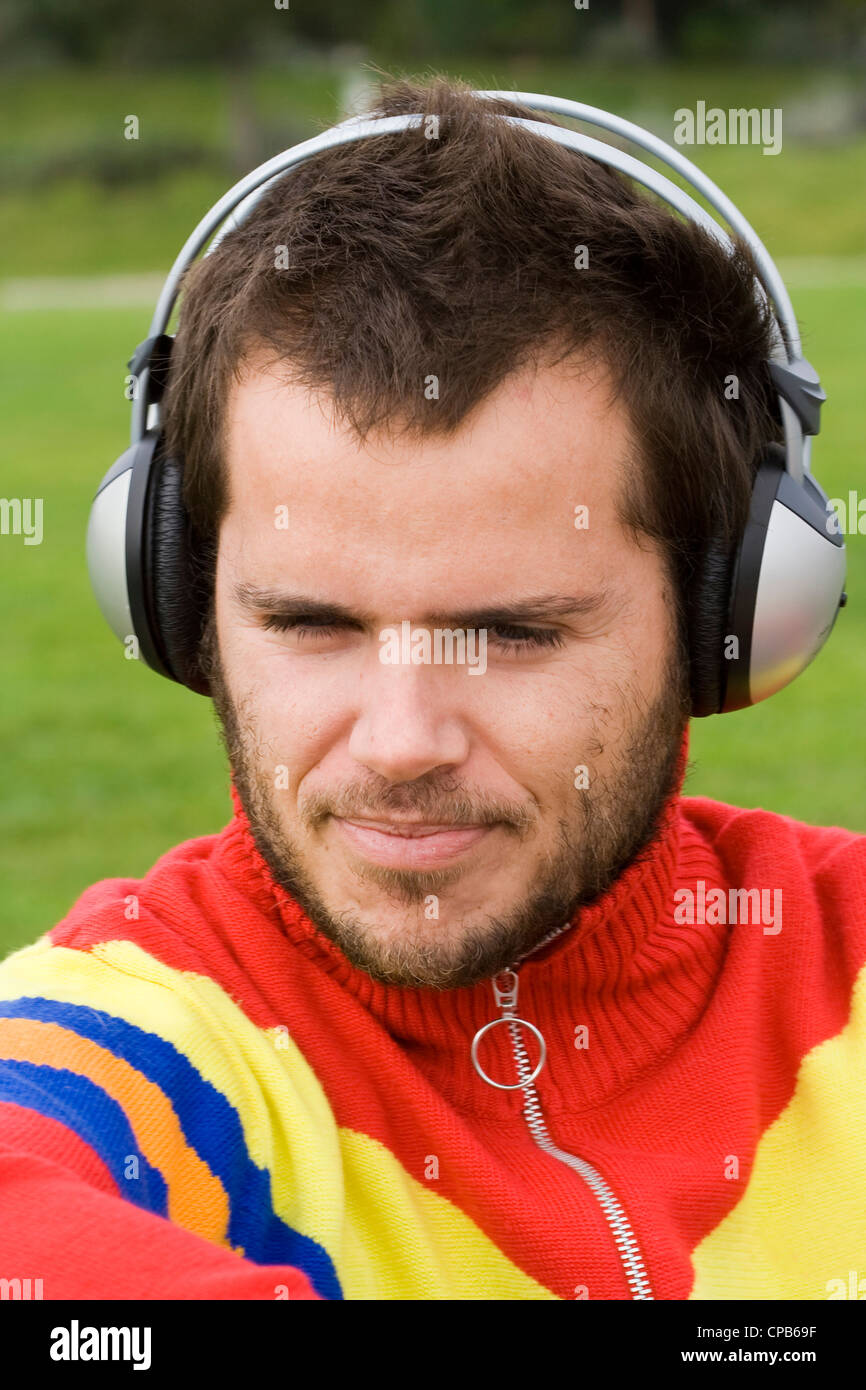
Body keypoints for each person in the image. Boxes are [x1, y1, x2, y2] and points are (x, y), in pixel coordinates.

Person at [0, 77, 862, 1302]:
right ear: (177, 599)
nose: (400, 743)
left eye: (511, 632)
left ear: (729, 617)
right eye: (308, 622)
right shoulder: (136, 1044)